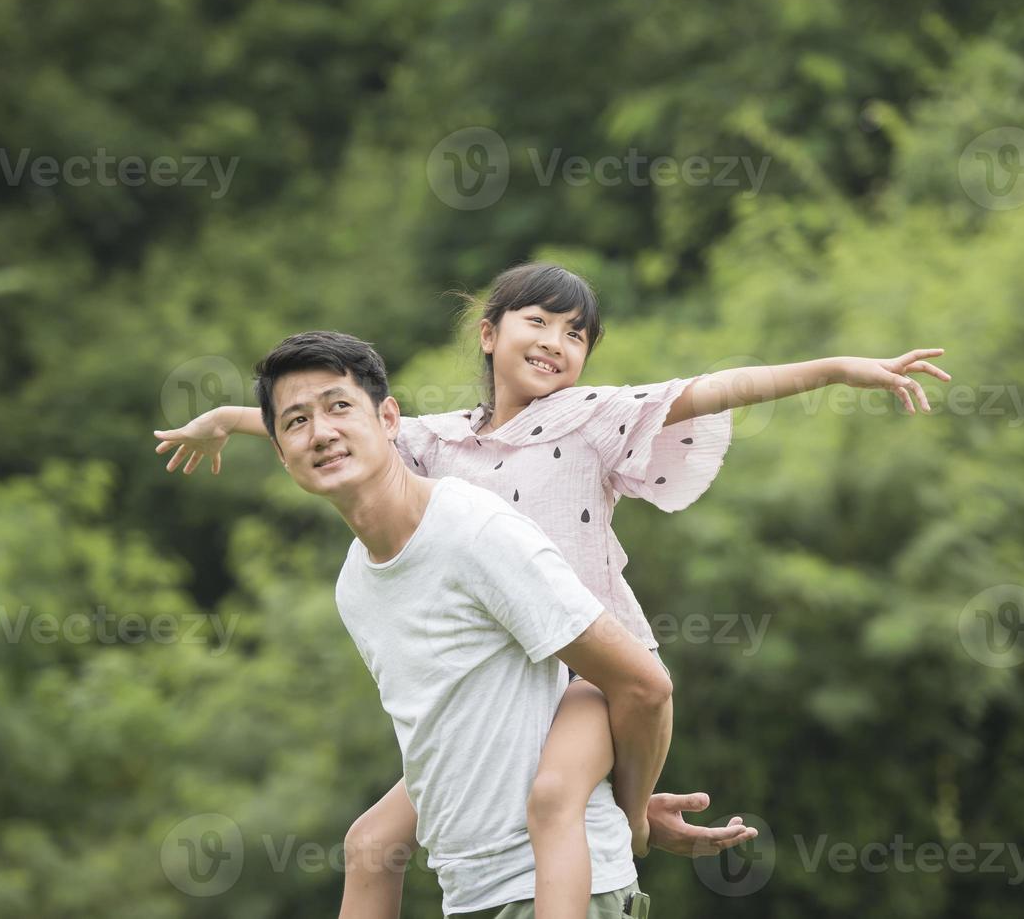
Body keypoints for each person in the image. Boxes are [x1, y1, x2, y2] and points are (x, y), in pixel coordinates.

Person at [154, 262, 949, 916]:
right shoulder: (443, 440)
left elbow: (716, 386)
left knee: (552, 799)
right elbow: (326, 424)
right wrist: (223, 418)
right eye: (538, 320)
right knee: (371, 844)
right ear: (489, 333)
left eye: (576, 335)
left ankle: (628, 830)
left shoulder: (590, 415)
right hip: (507, 688)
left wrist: (841, 369)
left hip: (590, 671)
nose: (558, 342)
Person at [251, 330, 755, 917]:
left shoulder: (474, 530)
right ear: (281, 454)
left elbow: (643, 684)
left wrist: (631, 810)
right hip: (468, 898)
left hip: (562, 891)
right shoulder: (356, 587)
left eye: (340, 406)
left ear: (389, 418)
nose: (322, 432)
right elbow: (448, 737)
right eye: (295, 421)